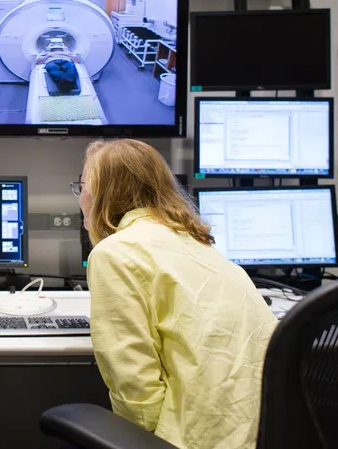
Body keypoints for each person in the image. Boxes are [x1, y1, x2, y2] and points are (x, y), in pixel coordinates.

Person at [73, 139, 278, 449]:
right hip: (262, 434)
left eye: (83, 186)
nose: (81, 197)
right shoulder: (202, 247)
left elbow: (134, 385)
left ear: (103, 194)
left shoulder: (116, 253)